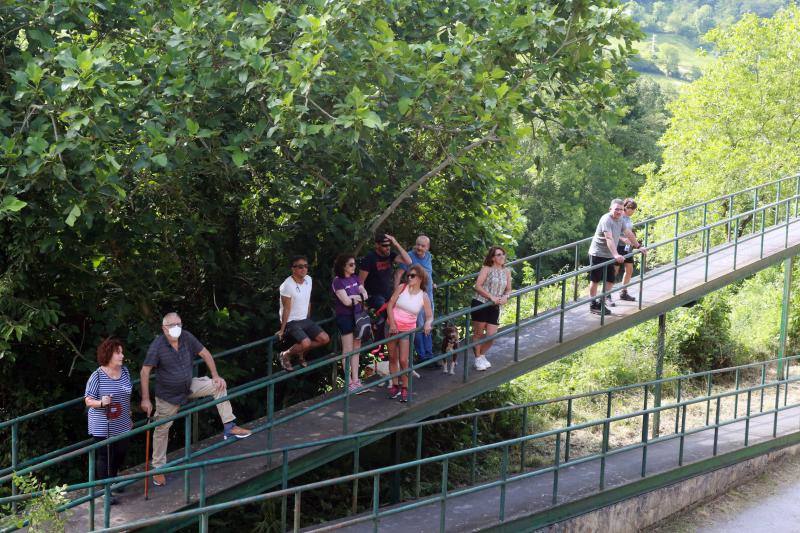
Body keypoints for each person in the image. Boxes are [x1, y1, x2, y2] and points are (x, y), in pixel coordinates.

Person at [140, 313, 251, 487]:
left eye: (179, 323)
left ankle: (229, 426)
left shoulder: (186, 337)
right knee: (162, 429)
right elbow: (145, 372)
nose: (176, 327)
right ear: (164, 328)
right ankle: (158, 469)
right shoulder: (158, 345)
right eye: (172, 325)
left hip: (188, 386)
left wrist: (215, 375)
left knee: (218, 385)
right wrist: (146, 399)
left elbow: (205, 353)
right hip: (168, 396)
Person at [84, 337, 133, 503]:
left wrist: (130, 416)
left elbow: (127, 397)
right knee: (105, 456)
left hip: (122, 422)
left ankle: (112, 479)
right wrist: (101, 402)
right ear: (108, 355)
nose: (122, 356)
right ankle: (105, 490)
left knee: (120, 453)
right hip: (102, 424)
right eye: (118, 353)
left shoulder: (125, 372)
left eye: (122, 352)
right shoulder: (97, 376)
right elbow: (88, 400)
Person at [587, 199, 646, 315]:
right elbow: (608, 238)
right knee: (595, 280)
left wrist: (638, 246)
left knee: (610, 280)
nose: (618, 212)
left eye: (620, 209)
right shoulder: (606, 219)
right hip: (597, 253)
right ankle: (593, 304)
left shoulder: (621, 220)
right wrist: (616, 254)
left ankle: (601, 302)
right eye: (616, 209)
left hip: (609, 254)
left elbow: (628, 233)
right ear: (610, 209)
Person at [386, 264, 433, 402]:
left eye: (412, 276)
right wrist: (392, 323)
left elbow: (429, 315)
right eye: (408, 275)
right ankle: (395, 385)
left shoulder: (423, 296)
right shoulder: (402, 288)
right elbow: (390, 304)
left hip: (407, 329)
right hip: (392, 327)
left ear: (420, 278)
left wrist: (428, 323)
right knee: (393, 357)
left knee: (403, 360)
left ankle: (405, 387)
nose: (409, 278)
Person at [278, 255, 331, 371]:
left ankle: (300, 351)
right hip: (291, 321)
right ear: (293, 269)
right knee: (306, 343)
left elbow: (308, 299)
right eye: (300, 267)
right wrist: (282, 329)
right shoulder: (287, 285)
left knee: (325, 339)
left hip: (304, 319)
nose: (304, 269)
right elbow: (286, 309)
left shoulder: (308, 279)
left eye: (306, 266)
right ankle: (286, 354)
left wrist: (308, 318)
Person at [332, 253, 370, 393]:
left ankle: (356, 380)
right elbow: (346, 302)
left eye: (354, 264)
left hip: (357, 315)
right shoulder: (338, 281)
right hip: (345, 317)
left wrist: (355, 297)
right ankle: (348, 382)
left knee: (356, 348)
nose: (354, 267)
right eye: (351, 265)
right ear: (343, 266)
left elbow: (365, 294)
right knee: (347, 350)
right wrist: (357, 297)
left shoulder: (355, 278)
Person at [471, 246, 512, 371]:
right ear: (493, 258)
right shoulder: (486, 269)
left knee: (491, 335)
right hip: (481, 303)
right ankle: (477, 358)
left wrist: (506, 296)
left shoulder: (507, 271)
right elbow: (477, 286)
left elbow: (509, 289)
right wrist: (491, 297)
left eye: (503, 254)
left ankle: (482, 355)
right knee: (478, 333)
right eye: (498, 255)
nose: (501, 257)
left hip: (495, 306)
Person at [396, 235, 435, 363]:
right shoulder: (409, 256)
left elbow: (427, 272)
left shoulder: (428, 256)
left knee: (428, 324)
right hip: (414, 297)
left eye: (423, 246)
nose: (419, 248)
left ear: (427, 248)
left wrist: (432, 283)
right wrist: (396, 294)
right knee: (418, 326)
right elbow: (399, 274)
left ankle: (429, 354)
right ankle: (422, 356)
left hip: (428, 296)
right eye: (418, 244)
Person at [359, 234, 412, 311]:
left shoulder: (390, 255)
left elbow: (408, 261)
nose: (388, 248)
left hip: (387, 294)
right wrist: (362, 302)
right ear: (377, 245)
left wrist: (396, 243)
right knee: (386, 313)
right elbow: (361, 281)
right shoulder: (369, 258)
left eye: (389, 245)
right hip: (374, 296)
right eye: (384, 245)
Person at [615, 198, 641, 302]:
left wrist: (634, 241)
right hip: (618, 247)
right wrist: (622, 239)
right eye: (633, 209)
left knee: (629, 269)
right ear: (627, 208)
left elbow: (629, 231)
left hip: (628, 248)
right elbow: (612, 232)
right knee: (614, 271)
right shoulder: (619, 217)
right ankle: (606, 295)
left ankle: (623, 292)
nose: (634, 211)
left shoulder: (629, 218)